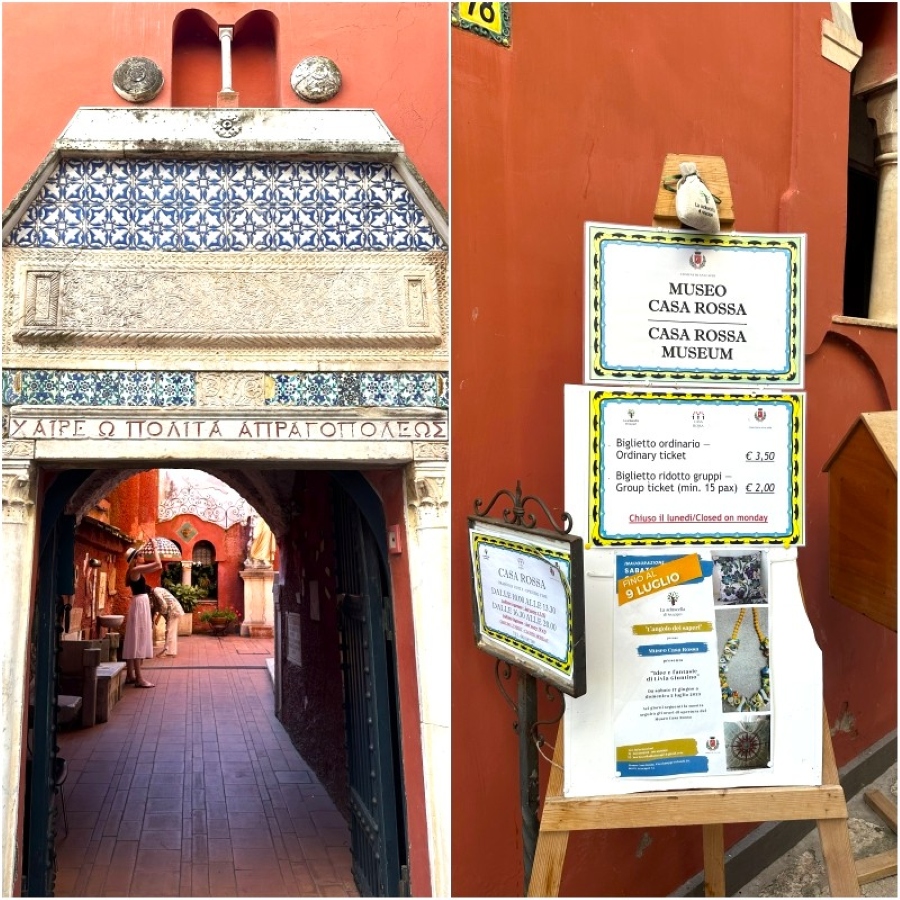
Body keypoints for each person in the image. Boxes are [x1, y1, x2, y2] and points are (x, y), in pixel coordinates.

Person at [123, 539, 162, 687]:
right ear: (134, 560)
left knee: (135, 638)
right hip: (140, 605)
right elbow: (158, 564)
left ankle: (130, 675)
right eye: (139, 555)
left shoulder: (134, 571)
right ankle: (139, 678)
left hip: (139, 604)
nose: (142, 557)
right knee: (138, 637)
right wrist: (155, 548)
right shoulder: (135, 571)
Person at [151, 586, 184, 658]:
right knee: (171, 631)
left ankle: (167, 651)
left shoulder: (156, 592)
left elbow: (164, 605)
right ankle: (171, 651)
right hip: (172, 610)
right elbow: (159, 607)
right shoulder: (157, 591)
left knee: (169, 631)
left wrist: (158, 618)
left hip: (173, 610)